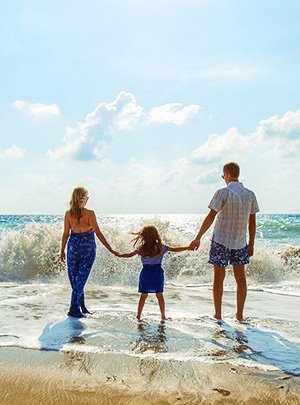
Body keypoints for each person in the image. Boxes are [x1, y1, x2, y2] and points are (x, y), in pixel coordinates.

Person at [189, 162, 259, 321]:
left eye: (223, 176)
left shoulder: (223, 192)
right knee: (240, 279)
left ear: (226, 174)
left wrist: (198, 237)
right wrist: (252, 243)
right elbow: (252, 223)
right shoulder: (250, 194)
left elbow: (210, 217)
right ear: (237, 174)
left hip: (221, 241)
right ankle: (239, 315)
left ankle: (218, 315)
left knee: (218, 278)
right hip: (240, 243)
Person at [60, 186, 117, 318]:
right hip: (87, 247)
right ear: (83, 199)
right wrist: (110, 249)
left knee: (77, 279)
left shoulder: (69, 214)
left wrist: (62, 250)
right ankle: (74, 308)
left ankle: (81, 306)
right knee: (79, 279)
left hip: (73, 246)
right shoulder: (89, 214)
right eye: (86, 197)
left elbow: (65, 235)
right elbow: (98, 233)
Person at [117, 225, 191, 321]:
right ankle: (163, 316)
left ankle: (138, 316)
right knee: (159, 295)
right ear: (156, 235)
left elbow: (129, 255)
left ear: (143, 236)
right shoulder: (161, 247)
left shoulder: (141, 248)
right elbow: (176, 249)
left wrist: (118, 254)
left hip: (146, 273)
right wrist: (188, 247)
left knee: (143, 295)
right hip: (157, 273)